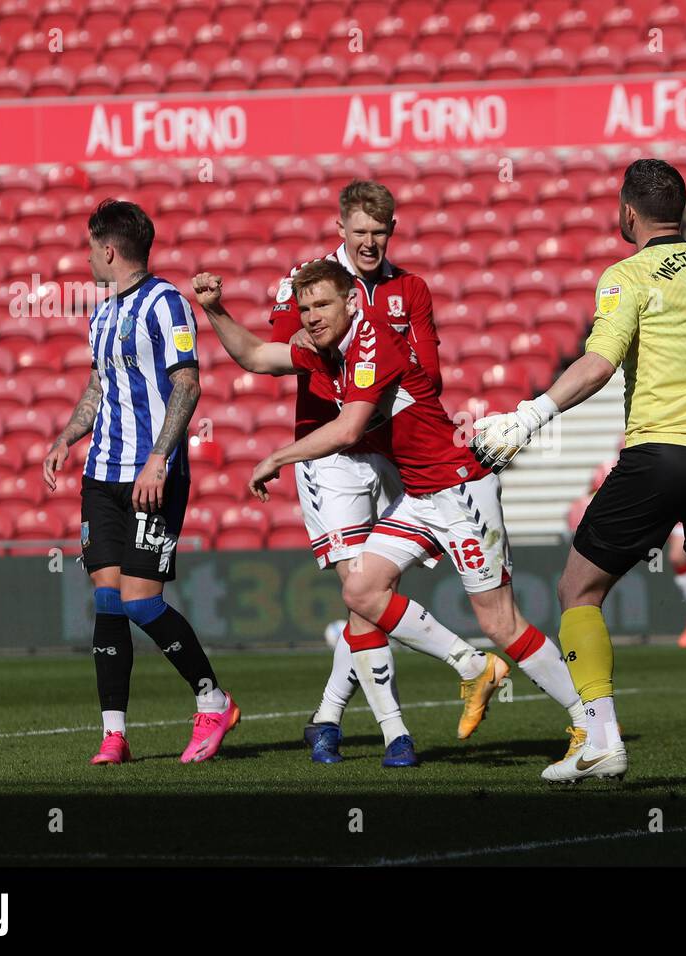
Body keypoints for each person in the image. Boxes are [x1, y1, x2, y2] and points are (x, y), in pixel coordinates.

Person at [472, 159, 686, 785]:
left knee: (578, 590)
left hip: (659, 455)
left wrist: (529, 415)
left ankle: (602, 739)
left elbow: (599, 362)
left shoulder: (626, 274)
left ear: (628, 212)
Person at [193, 260, 589, 775]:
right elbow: (253, 355)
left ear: (352, 303)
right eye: (306, 307)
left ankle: (588, 720)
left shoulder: (372, 340)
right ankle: (472, 667)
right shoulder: (324, 349)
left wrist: (276, 457)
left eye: (323, 305)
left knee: (500, 621)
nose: (312, 317)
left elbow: (348, 429)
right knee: (361, 590)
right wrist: (214, 309)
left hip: (459, 489)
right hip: (421, 496)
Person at [261, 180, 498, 766]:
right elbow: (277, 350)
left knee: (368, 592)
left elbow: (430, 374)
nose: (369, 242)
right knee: (361, 591)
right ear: (340, 228)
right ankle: (397, 731)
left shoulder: (404, 286)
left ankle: (327, 718)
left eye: (379, 232)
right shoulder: (311, 283)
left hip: (390, 448)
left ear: (391, 232)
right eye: (360, 231)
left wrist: (371, 362)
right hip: (331, 453)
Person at [44, 199, 238, 766]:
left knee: (140, 602)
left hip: (150, 476)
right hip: (100, 474)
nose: (86, 257)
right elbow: (99, 388)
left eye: (89, 247)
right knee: (107, 600)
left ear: (108, 249)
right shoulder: (100, 314)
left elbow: (187, 384)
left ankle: (213, 699)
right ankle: (114, 733)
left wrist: (159, 458)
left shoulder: (168, 303)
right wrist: (66, 438)